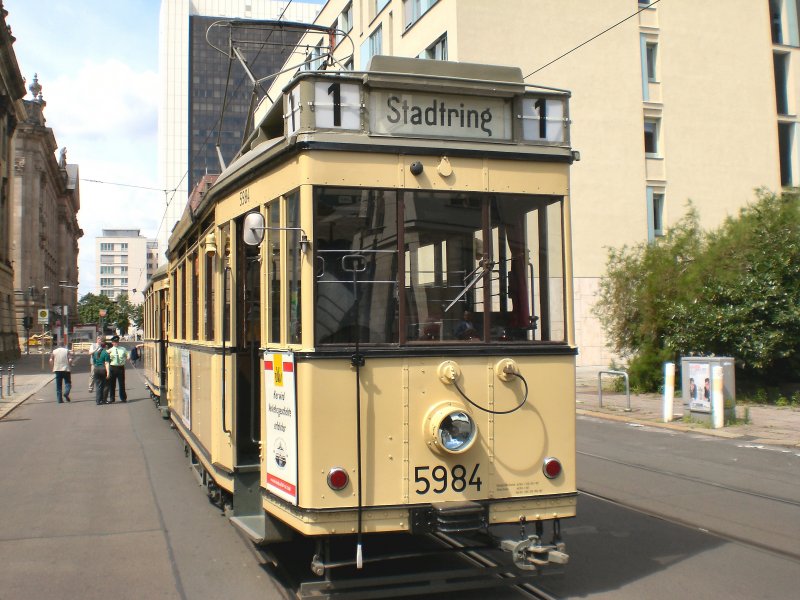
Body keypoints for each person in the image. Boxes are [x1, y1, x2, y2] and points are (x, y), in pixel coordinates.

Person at [50, 339, 73, 404]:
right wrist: (70, 365)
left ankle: (59, 400)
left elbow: (50, 360)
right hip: (66, 369)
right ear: (64, 345)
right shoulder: (66, 351)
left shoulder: (54, 351)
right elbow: (70, 359)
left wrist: (52, 368)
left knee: (58, 385)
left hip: (57, 369)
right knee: (68, 383)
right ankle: (66, 393)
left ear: (58, 345)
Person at [107, 335, 129, 403]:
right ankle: (112, 398)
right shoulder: (110, 350)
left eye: (117, 342)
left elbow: (127, 354)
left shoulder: (123, 349)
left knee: (122, 384)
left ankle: (123, 398)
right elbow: (106, 357)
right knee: (112, 384)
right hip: (112, 367)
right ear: (112, 343)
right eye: (114, 342)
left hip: (120, 368)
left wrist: (128, 357)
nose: (116, 343)